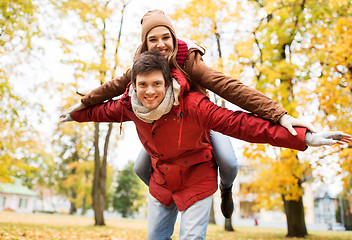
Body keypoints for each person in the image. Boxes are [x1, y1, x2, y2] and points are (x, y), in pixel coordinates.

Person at [61, 51, 351, 240]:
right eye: (143, 85)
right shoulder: (129, 106)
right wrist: (75, 113)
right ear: (133, 85)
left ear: (168, 81)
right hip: (163, 176)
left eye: (156, 84)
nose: (150, 91)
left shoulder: (194, 96)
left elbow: (244, 123)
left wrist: (303, 137)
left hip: (198, 170)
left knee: (228, 164)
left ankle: (227, 189)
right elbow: (98, 110)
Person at [64, 9, 317, 218]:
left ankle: (226, 188)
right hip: (163, 131)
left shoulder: (189, 62)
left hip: (200, 122)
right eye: (153, 40)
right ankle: (174, 196)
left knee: (228, 162)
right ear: (145, 44)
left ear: (174, 38)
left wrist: (279, 115)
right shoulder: (142, 65)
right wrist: (85, 103)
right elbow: (115, 87)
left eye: (166, 37)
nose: (160, 44)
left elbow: (230, 87)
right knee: (141, 168)